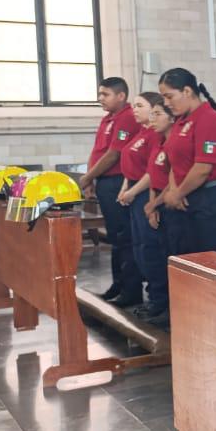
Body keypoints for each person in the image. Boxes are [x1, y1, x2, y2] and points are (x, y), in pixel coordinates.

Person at [157, 68, 216, 260]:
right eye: (164, 98)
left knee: (209, 264)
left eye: (169, 96)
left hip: (211, 201)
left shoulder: (209, 118)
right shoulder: (181, 121)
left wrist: (177, 194)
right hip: (187, 198)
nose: (166, 103)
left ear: (187, 91)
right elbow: (174, 160)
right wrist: (174, 190)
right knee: (185, 262)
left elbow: (203, 168)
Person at [79, 77, 142, 303]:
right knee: (115, 238)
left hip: (117, 182)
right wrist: (90, 180)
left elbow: (114, 154)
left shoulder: (126, 118)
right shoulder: (108, 119)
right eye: (99, 94)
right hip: (104, 182)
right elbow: (98, 151)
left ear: (121, 96)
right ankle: (118, 284)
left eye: (105, 94)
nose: (100, 99)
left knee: (125, 238)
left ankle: (131, 291)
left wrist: (87, 177)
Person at [115, 93, 163, 315]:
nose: (134, 110)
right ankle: (151, 298)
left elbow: (152, 171)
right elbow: (130, 165)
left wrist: (133, 191)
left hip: (145, 193)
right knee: (139, 246)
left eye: (140, 106)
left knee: (150, 247)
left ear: (154, 109)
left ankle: (158, 299)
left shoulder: (155, 134)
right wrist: (125, 187)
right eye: (133, 106)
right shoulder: (141, 133)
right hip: (134, 191)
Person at [140, 101, 176, 329]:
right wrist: (152, 203)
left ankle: (172, 310)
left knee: (172, 258)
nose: (152, 119)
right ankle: (161, 304)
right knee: (159, 256)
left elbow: (174, 179)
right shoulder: (158, 142)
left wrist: (155, 204)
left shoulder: (174, 143)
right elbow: (154, 175)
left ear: (172, 118)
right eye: (150, 114)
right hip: (158, 203)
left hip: (170, 204)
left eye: (157, 114)